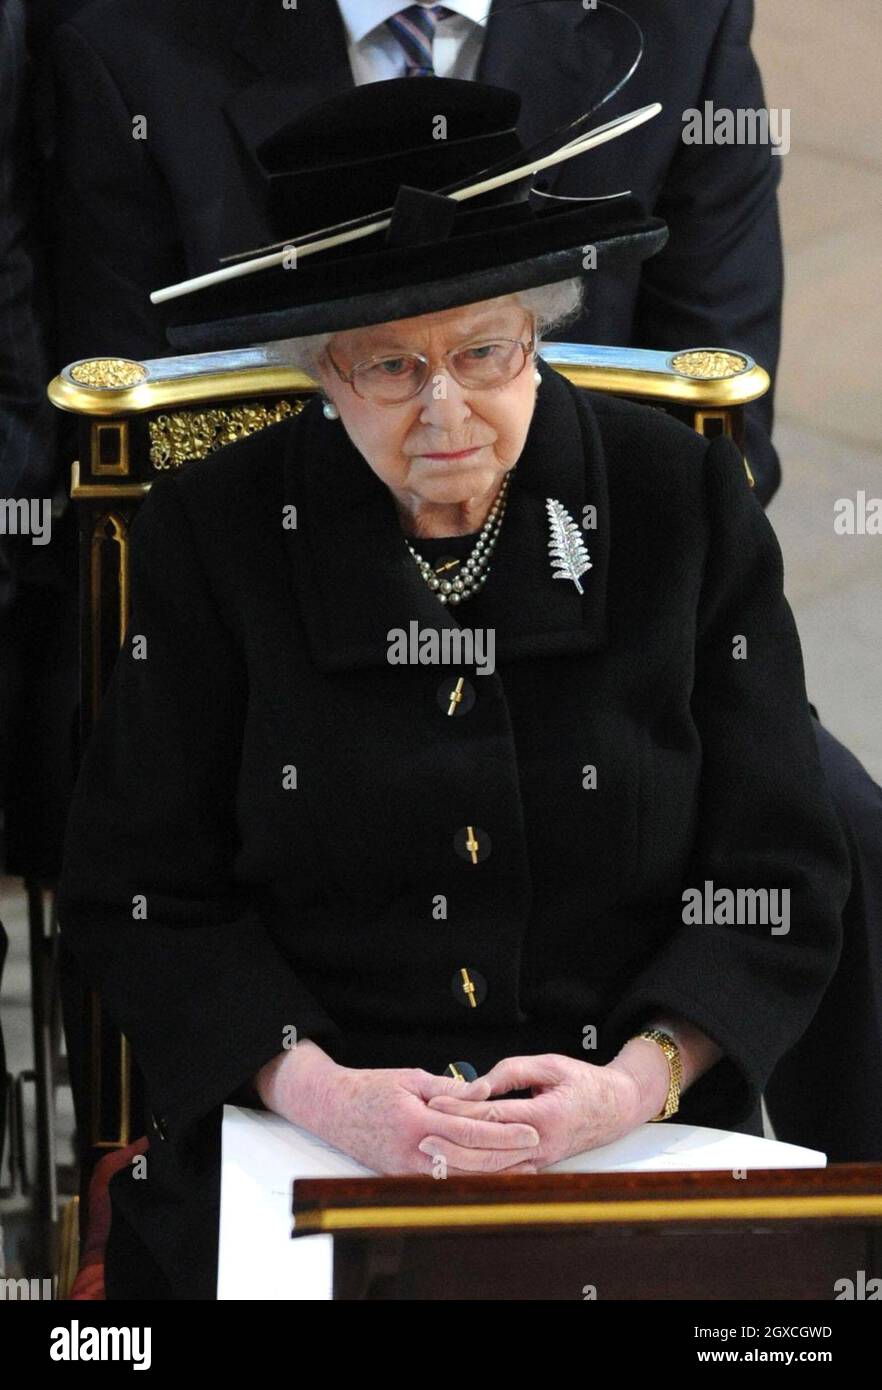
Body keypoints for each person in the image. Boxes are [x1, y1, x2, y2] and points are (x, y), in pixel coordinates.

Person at [55, 77, 850, 1300]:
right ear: (321, 373)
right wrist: (314, 1087)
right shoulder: (215, 535)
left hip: (632, 1135)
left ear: (538, 331)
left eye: (485, 351)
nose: (447, 411)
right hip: (310, 1149)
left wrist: (635, 1079)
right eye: (391, 367)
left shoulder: (675, 505)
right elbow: (143, 892)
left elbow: (778, 871)